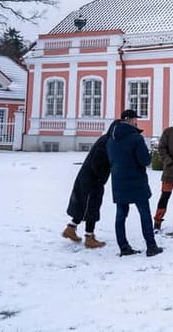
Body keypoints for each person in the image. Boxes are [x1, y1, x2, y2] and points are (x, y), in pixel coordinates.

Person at [107, 109, 162, 257]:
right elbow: (145, 160)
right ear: (130, 120)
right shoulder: (136, 138)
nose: (136, 122)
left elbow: (110, 159)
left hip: (118, 180)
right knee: (144, 213)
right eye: (135, 119)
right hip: (136, 181)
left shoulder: (111, 138)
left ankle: (123, 247)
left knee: (120, 215)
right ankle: (151, 246)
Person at [61, 119, 119, 248]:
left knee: (84, 205)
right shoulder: (107, 142)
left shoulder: (105, 139)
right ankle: (89, 237)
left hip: (88, 177)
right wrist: (100, 178)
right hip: (93, 179)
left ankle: (71, 228)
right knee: (92, 207)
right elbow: (97, 162)